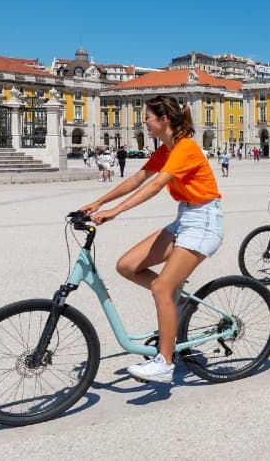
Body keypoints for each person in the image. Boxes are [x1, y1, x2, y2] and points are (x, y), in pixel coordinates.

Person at [79, 95, 222, 384]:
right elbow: (137, 179)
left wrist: (115, 212)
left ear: (163, 120)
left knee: (160, 288)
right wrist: (99, 202)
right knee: (127, 266)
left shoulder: (185, 148)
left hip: (204, 222)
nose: (143, 122)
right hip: (185, 218)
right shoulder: (166, 150)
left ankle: (164, 362)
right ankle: (180, 302)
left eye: (147, 117)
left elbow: (156, 185)